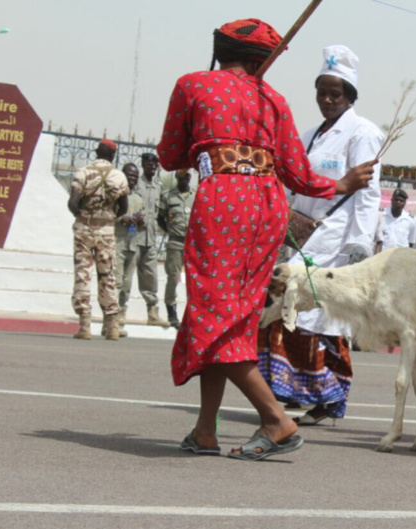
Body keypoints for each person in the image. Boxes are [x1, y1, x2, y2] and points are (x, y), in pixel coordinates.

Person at [157, 19, 375, 459]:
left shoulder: (193, 84)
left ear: (220, 52)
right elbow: (299, 173)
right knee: (232, 316)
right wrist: (341, 185)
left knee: (210, 314)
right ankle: (204, 431)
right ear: (263, 61)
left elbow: (169, 155)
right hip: (268, 207)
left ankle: (276, 420)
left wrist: (207, 148)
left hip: (223, 204)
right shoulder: (273, 100)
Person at [257, 44, 384, 427]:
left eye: (336, 93)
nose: (327, 100)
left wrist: (360, 242)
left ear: (350, 96)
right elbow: (297, 183)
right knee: (290, 307)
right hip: (302, 234)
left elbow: (368, 193)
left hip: (336, 236)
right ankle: (294, 391)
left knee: (319, 315)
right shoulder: (310, 134)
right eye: (322, 92)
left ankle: (326, 394)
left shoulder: (363, 133)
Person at [67, 139, 129, 341]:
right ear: (113, 156)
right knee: (107, 275)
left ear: (96, 152)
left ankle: (84, 326)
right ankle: (112, 326)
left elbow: (72, 203)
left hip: (84, 229)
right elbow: (124, 208)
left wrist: (84, 215)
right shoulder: (119, 176)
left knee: (83, 274)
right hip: (107, 231)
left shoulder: (83, 172)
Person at [119, 152, 169, 327]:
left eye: (155, 165)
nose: (153, 167)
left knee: (150, 277)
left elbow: (161, 213)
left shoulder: (158, 187)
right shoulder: (134, 184)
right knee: (126, 278)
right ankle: (119, 311)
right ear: (143, 165)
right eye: (149, 164)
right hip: (133, 239)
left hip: (150, 240)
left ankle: (153, 313)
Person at [157, 168, 195, 328]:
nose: (183, 179)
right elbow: (161, 219)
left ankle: (193, 314)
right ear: (176, 177)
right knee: (173, 277)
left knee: (195, 280)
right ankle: (171, 312)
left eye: (186, 176)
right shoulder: (167, 196)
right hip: (175, 242)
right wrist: (171, 231)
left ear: (189, 176)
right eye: (180, 177)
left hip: (193, 244)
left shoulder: (196, 196)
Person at [113, 162, 144, 337]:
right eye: (129, 175)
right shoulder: (116, 196)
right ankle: (111, 319)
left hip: (133, 245)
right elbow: (108, 217)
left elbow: (142, 225)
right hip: (118, 243)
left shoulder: (138, 199)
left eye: (135, 176)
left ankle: (120, 318)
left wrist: (140, 221)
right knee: (116, 282)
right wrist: (121, 219)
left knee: (126, 285)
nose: (132, 179)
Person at [375, 188, 415, 252]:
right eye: (396, 200)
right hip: (383, 256)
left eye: (401, 201)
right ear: (391, 200)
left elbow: (411, 243)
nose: (398, 202)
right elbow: (377, 241)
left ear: (405, 203)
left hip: (401, 258)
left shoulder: (410, 220)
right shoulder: (381, 216)